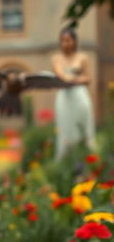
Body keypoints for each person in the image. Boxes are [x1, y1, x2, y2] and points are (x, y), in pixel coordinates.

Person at [51, 27, 96, 160]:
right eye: (63, 41)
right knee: (65, 128)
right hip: (64, 96)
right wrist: (69, 78)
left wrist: (76, 79)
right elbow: (60, 74)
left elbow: (88, 78)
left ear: (74, 41)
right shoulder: (56, 58)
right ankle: (65, 160)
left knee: (83, 125)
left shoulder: (83, 57)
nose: (66, 43)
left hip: (79, 95)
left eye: (68, 40)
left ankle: (87, 157)